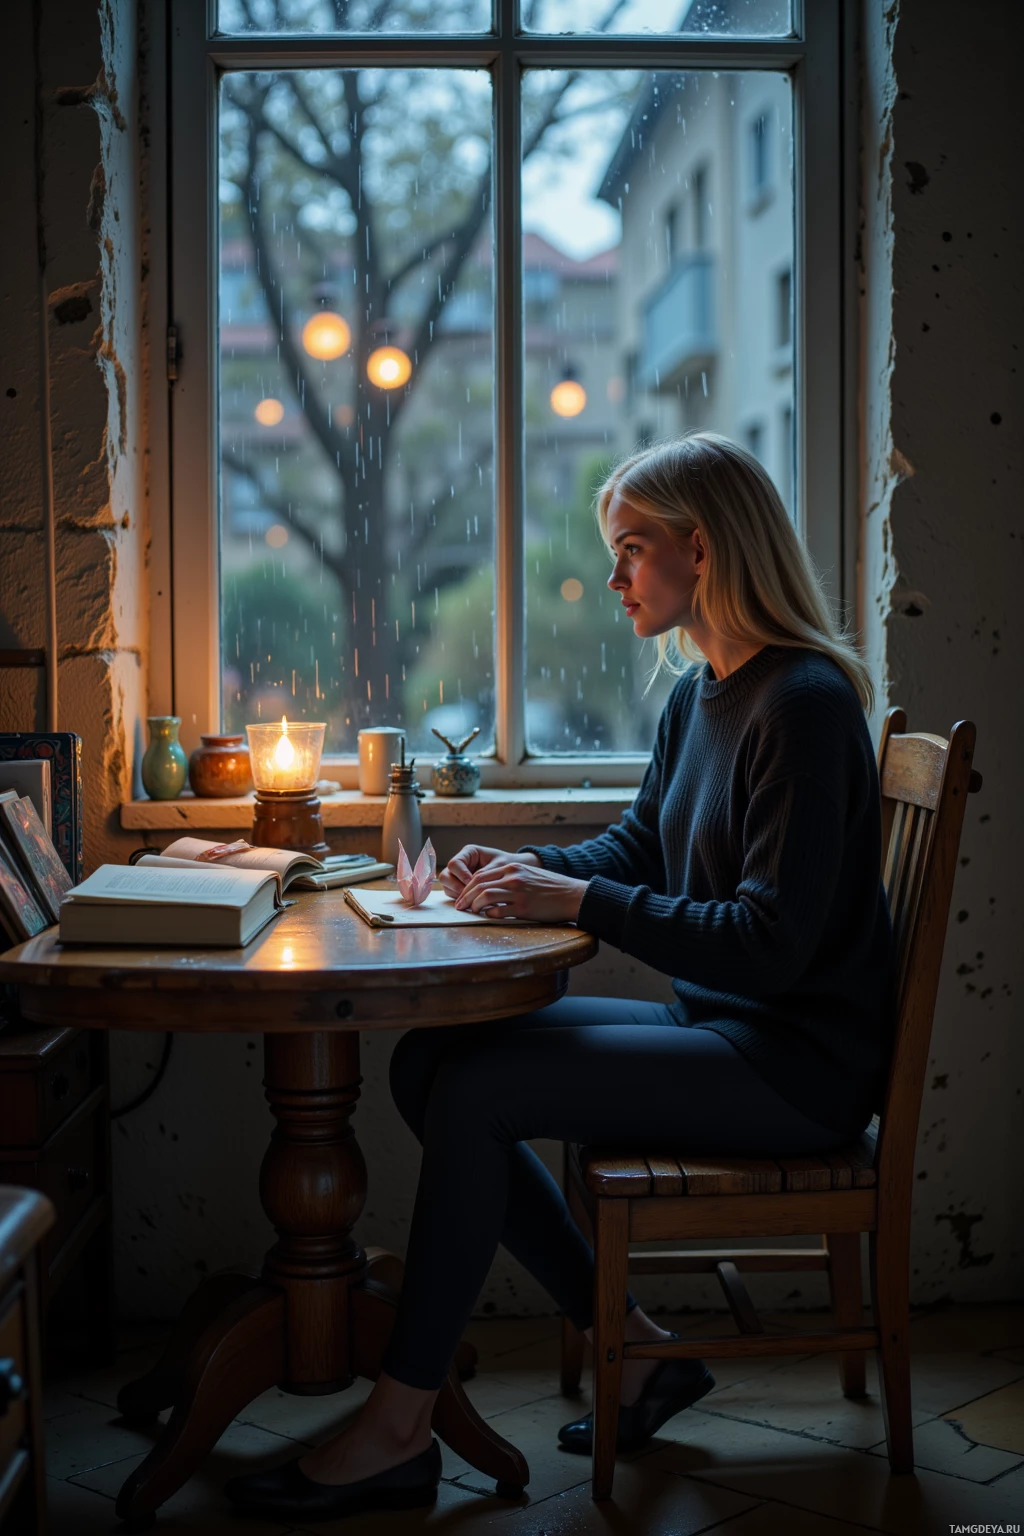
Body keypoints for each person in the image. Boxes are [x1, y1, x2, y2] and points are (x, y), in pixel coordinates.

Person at [226, 431, 895, 1521]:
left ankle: (398, 1432)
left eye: (633, 550)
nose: (615, 576)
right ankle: (641, 1354)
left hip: (794, 1067)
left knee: (480, 1090)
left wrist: (576, 902)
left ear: (704, 551)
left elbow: (770, 941)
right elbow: (636, 849)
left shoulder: (805, 705)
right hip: (723, 1033)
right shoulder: (701, 696)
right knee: (431, 1065)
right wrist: (528, 870)